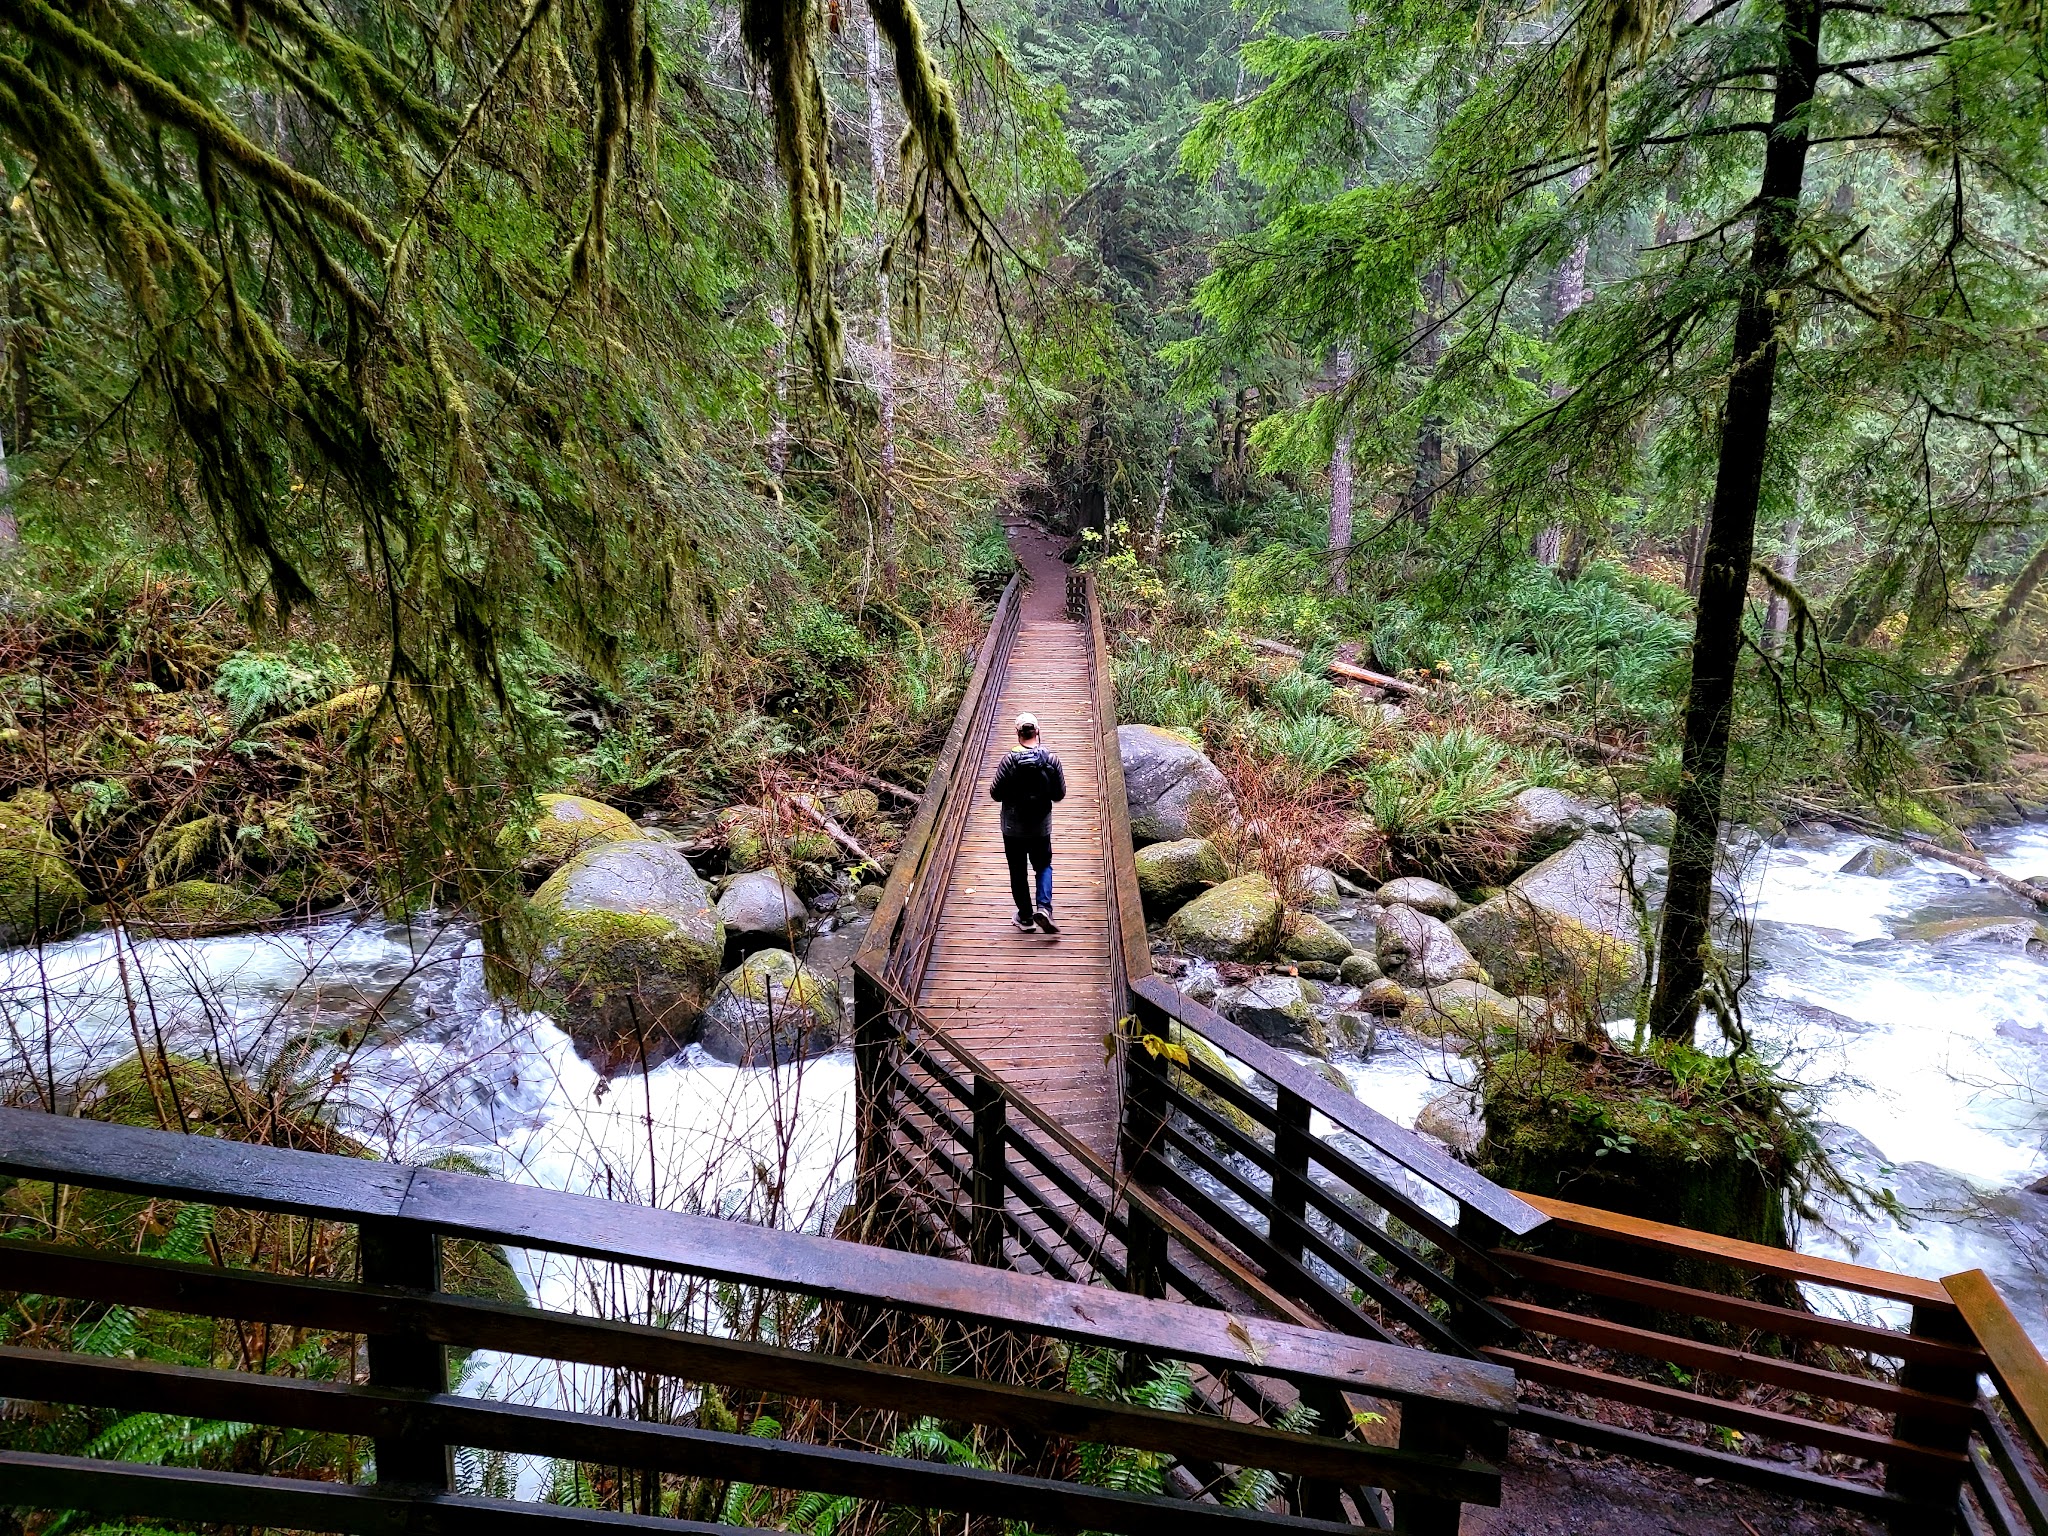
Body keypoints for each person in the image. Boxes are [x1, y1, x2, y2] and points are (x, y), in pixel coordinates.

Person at [989, 712, 1065, 933]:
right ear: (1037, 731)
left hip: (1013, 828)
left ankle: (1025, 918)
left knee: (1018, 870)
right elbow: (1059, 794)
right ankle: (1044, 908)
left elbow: (995, 794)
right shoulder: (1051, 760)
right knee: (1043, 866)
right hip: (1040, 826)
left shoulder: (1008, 761)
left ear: (1018, 733)